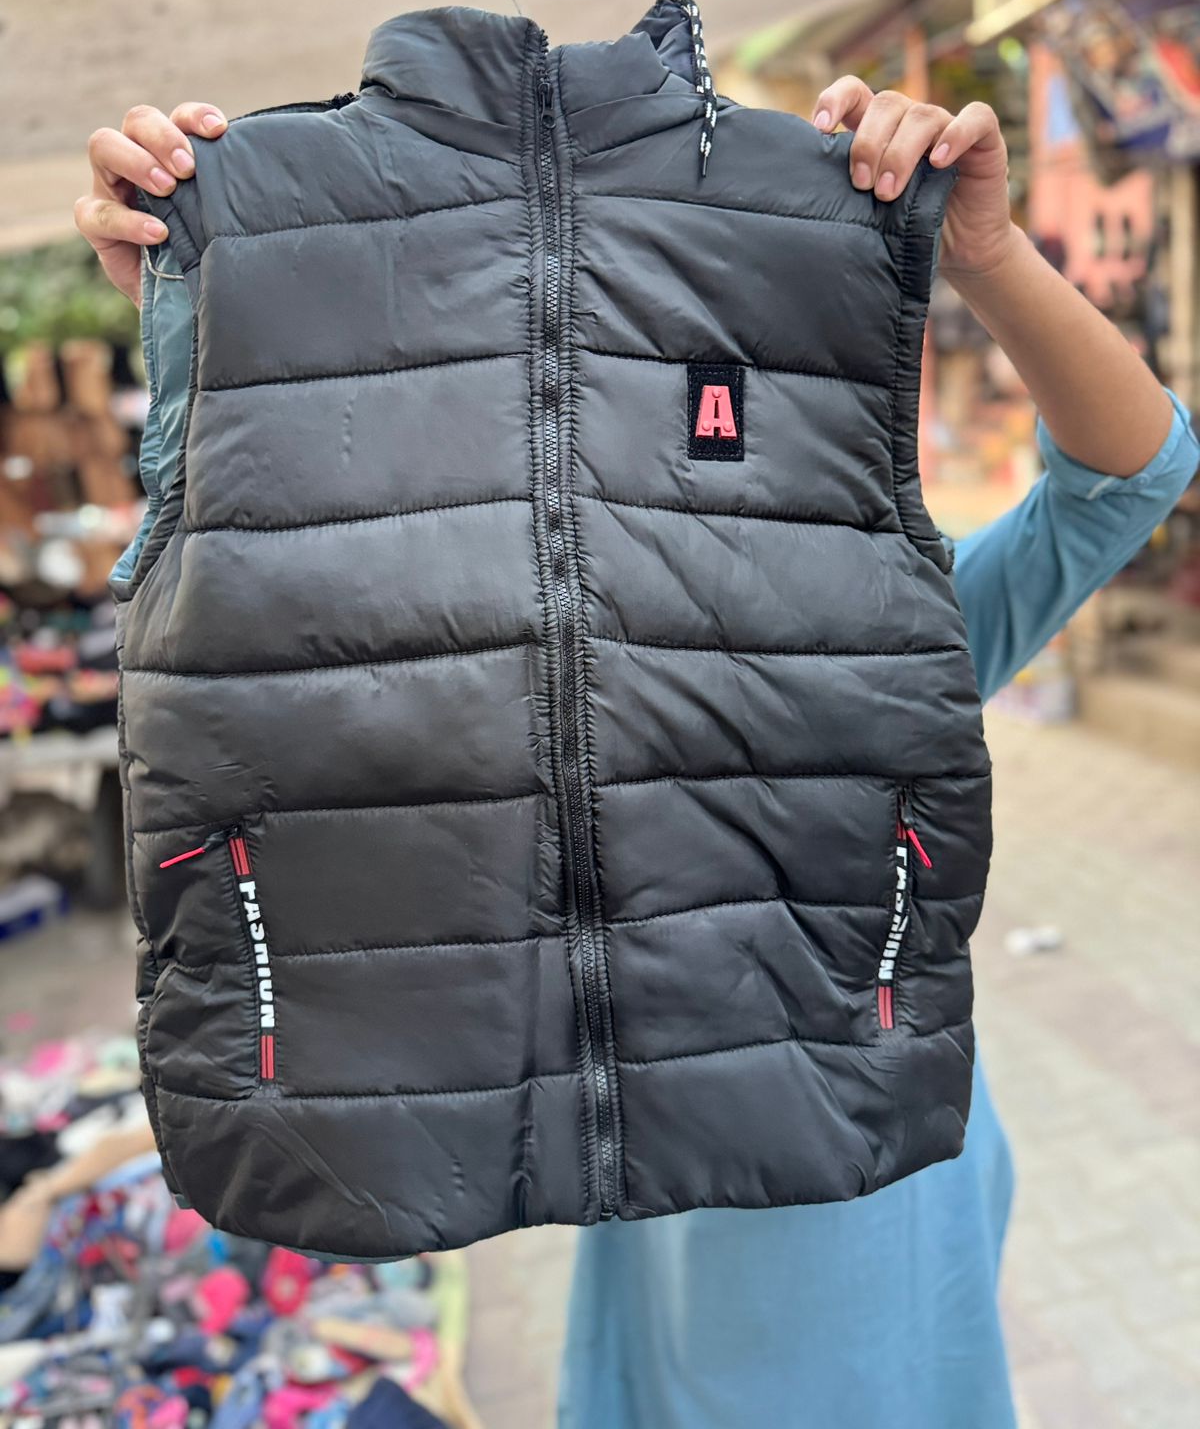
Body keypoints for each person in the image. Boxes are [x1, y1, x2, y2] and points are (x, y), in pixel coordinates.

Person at [77, 71, 1198, 1429]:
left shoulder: (871, 617)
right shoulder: (481, 646)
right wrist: (211, 314)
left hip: (858, 1222)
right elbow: (291, 647)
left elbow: (1131, 475)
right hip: (639, 1213)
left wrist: (985, 253)